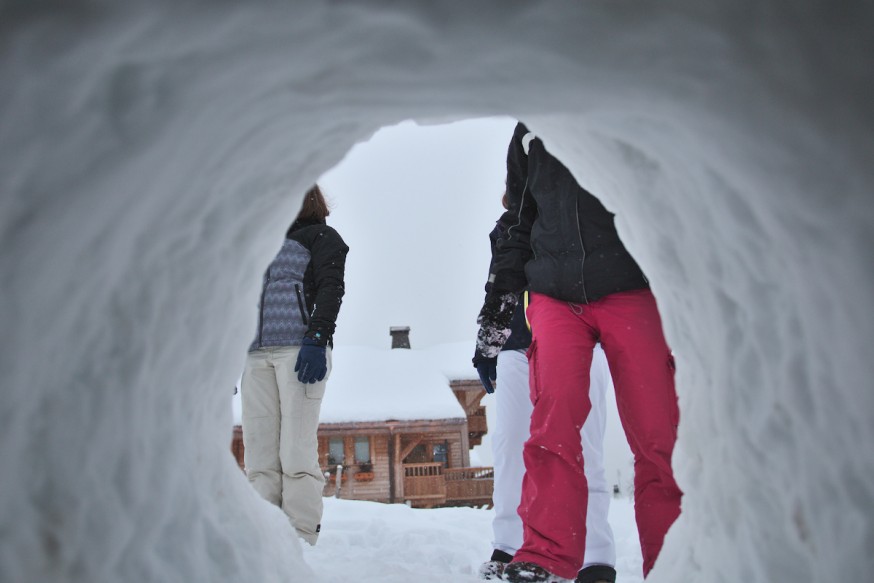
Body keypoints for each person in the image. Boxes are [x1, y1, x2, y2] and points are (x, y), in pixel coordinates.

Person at [474, 123, 682, 581]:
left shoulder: (621, 101)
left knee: (656, 431)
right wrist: (497, 302)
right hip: (553, 292)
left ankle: (673, 561)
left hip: (631, 285)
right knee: (552, 425)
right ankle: (545, 555)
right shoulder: (530, 129)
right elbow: (519, 216)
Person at [474, 199, 618, 583]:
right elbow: (498, 285)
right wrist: (486, 345)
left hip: (580, 342)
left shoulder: (583, 215)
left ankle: (595, 556)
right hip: (516, 347)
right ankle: (509, 543)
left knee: (584, 446)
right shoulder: (507, 227)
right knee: (511, 446)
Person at [241, 184, 349, 546]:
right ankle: (264, 539)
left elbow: (332, 289)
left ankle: (301, 537)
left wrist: (317, 339)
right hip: (254, 355)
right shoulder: (260, 241)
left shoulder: (322, 236)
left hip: (299, 354)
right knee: (259, 453)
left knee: (295, 451)